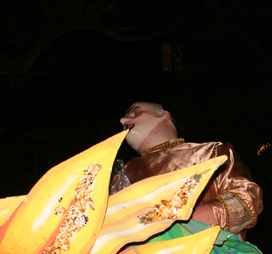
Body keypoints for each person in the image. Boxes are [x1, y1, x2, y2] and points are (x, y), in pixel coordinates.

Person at [111, 102, 262, 239]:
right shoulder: (120, 175)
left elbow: (246, 201)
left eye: (135, 112)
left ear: (164, 115)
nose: (123, 121)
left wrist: (175, 224)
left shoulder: (212, 152)